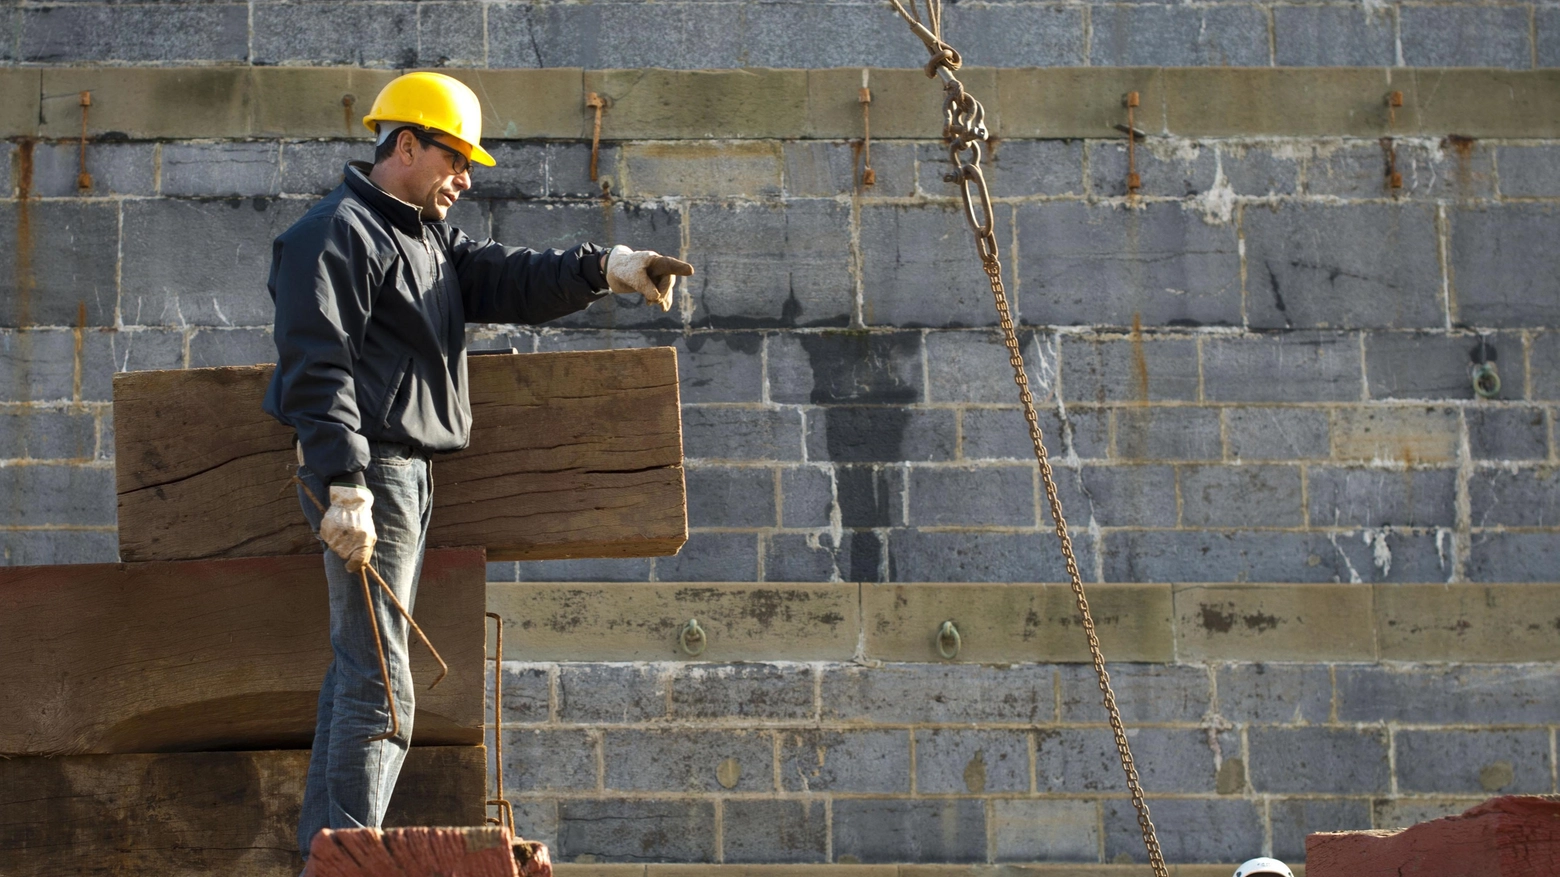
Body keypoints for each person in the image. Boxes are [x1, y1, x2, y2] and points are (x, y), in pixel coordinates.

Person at [262, 71, 692, 872]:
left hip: (402, 476)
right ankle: (348, 858)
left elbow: (508, 276)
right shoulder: (334, 233)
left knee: (362, 670)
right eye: (457, 160)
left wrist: (609, 266)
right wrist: (346, 483)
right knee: (385, 684)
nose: (466, 178)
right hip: (372, 475)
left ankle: (329, 851)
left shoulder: (424, 238)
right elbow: (316, 369)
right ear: (406, 145)